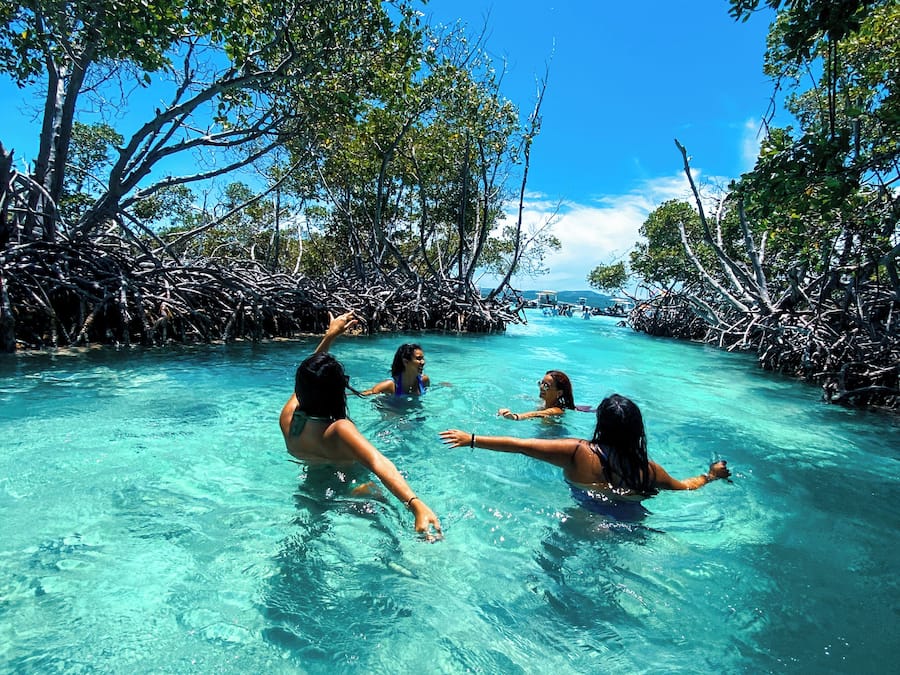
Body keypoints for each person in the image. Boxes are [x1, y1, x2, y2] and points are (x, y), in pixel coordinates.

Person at [279, 311, 442, 539]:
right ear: (338, 390)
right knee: (390, 534)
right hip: (353, 489)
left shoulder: (287, 419)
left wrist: (330, 336)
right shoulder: (338, 430)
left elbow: (308, 377)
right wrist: (415, 504)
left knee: (310, 536)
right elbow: (378, 462)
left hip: (312, 488)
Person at [441, 393, 730, 512]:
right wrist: (711, 475)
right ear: (636, 429)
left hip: (586, 517)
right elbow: (685, 487)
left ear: (600, 423)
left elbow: (520, 446)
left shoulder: (579, 451)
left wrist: (472, 439)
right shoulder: (649, 469)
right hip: (632, 523)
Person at [498, 370, 577, 420]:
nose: (541, 387)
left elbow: (537, 414)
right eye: (541, 383)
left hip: (552, 437)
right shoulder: (544, 402)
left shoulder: (557, 410)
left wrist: (515, 417)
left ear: (559, 393)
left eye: (546, 386)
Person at [362, 343, 430, 397]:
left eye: (423, 358)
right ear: (405, 362)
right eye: (419, 359)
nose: (423, 362)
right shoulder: (389, 385)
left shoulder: (424, 380)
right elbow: (364, 395)